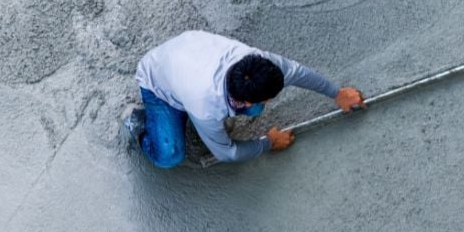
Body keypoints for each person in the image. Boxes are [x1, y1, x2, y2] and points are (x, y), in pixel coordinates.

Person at [126, 30, 365, 168]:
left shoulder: (258, 63)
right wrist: (268, 143)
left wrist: (337, 93)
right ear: (245, 99)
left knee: (254, 112)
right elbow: (226, 153)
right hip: (158, 84)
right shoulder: (206, 106)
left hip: (186, 61)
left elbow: (299, 73)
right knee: (170, 155)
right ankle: (138, 124)